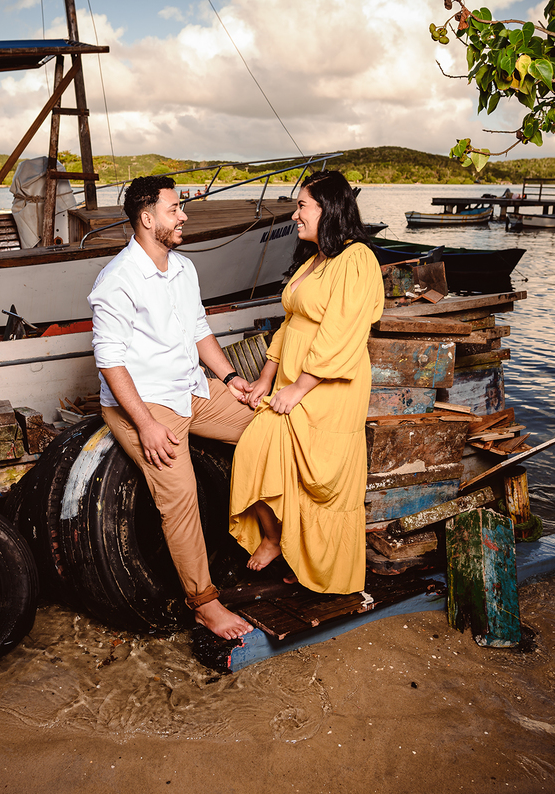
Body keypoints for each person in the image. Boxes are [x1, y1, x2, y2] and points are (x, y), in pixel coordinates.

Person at [88, 174, 257, 640]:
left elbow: (199, 328)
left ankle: (268, 530)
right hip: (144, 403)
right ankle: (204, 603)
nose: (183, 215)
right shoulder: (117, 281)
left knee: (266, 429)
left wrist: (231, 379)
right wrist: (144, 424)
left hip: (191, 389)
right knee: (180, 497)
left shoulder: (183, 268)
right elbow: (109, 360)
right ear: (147, 219)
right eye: (174, 208)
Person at [228, 171, 385, 595]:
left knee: (317, 480)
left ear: (328, 209)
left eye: (302, 206)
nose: (295, 214)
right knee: (255, 453)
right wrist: (267, 376)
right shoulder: (315, 259)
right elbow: (291, 322)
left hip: (328, 389)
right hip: (292, 381)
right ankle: (279, 539)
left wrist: (299, 387)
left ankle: (305, 555)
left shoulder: (357, 259)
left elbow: (343, 332)